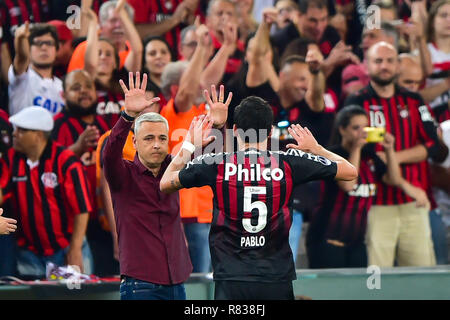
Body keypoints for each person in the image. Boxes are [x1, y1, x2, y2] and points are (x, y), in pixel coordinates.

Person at [160, 89, 358, 300]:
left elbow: (165, 183)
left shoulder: (216, 164)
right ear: (271, 131)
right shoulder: (289, 162)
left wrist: (190, 144)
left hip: (231, 276)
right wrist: (318, 149)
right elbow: (350, 172)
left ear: (235, 130)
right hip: (276, 275)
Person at [344, 41, 441, 267]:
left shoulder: (414, 100)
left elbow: (433, 145)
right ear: (367, 66)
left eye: (389, 61)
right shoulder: (356, 101)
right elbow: (348, 145)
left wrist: (392, 157)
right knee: (378, 278)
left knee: (420, 276)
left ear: (398, 65)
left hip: (413, 203)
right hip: (374, 205)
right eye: (378, 61)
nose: (384, 66)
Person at [102, 71, 192, 300]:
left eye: (162, 139)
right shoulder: (122, 174)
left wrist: (219, 127)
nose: (157, 145)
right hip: (140, 285)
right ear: (134, 142)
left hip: (178, 282)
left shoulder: (174, 168)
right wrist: (127, 116)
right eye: (149, 138)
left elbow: (208, 163)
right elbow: (109, 153)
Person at [307, 105, 429, 269]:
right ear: (342, 130)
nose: (362, 133)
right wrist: (356, 148)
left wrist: (389, 150)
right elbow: (348, 185)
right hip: (327, 240)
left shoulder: (370, 156)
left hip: (358, 243)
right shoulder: (331, 155)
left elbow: (393, 179)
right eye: (356, 128)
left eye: (365, 127)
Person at [3, 106, 93, 279]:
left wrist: (75, 250)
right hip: (29, 253)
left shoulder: (66, 161)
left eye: (21, 130)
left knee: (74, 296)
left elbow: (82, 209)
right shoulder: (11, 159)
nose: (14, 134)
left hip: (65, 250)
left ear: (37, 135)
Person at [52, 69, 120, 276]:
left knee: (108, 279)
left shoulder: (105, 124)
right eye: (76, 88)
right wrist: (77, 148)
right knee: (78, 285)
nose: (84, 92)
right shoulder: (58, 124)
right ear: (63, 95)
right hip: (71, 224)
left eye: (88, 87)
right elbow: (48, 169)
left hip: (104, 220)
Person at [8, 22, 64, 115]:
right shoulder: (22, 78)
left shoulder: (62, 86)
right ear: (28, 48)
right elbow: (22, 58)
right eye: (38, 43)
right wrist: (21, 39)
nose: (44, 47)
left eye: (49, 43)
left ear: (57, 49)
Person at [67, 0, 136, 72]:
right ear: (101, 24)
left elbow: (138, 51)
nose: (118, 25)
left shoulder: (133, 48)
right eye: (113, 20)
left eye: (123, 20)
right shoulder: (84, 49)